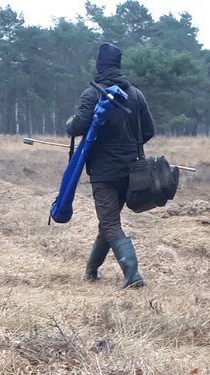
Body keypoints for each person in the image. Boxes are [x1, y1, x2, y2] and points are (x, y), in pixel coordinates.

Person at [66, 42, 154, 289]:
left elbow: (76, 127)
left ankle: (132, 274)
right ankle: (91, 271)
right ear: (118, 65)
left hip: (104, 172)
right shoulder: (136, 94)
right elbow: (149, 130)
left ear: (99, 66)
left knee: (110, 222)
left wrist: (70, 123)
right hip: (132, 172)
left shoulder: (92, 93)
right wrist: (127, 146)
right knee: (108, 221)